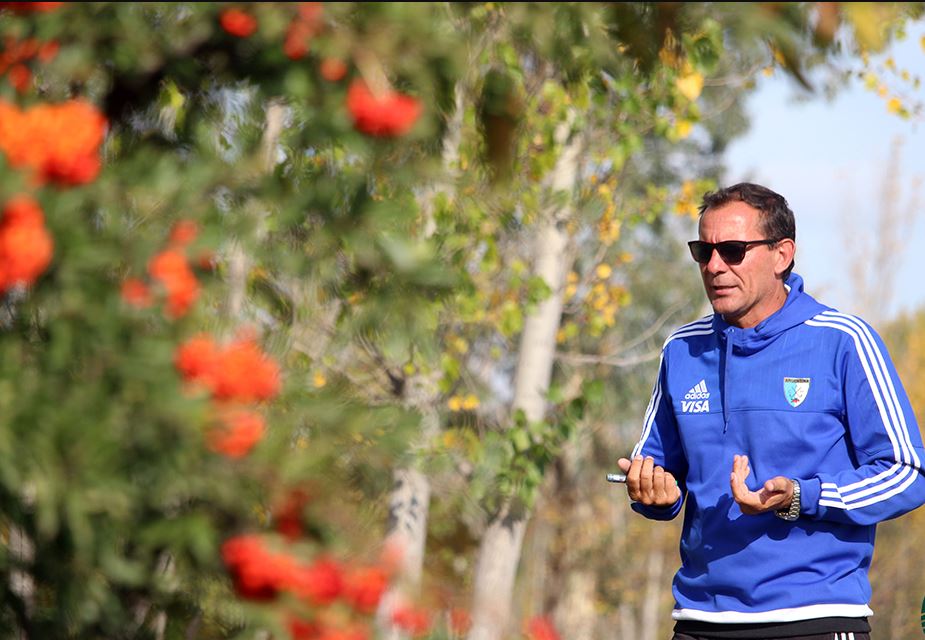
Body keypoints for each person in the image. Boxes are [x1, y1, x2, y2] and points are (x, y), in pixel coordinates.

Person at [617, 182, 925, 640]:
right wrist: (652, 491)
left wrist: (805, 497)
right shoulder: (682, 350)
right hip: (701, 621)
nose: (715, 266)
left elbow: (908, 473)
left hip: (816, 618)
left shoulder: (843, 340)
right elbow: (659, 472)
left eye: (733, 250)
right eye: (704, 251)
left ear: (782, 255)